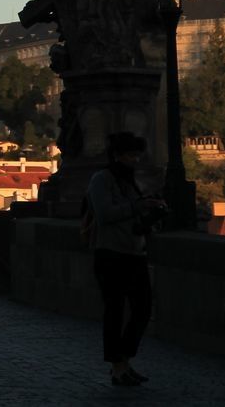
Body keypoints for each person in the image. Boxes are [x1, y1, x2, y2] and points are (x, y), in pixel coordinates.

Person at [87, 132, 164, 386]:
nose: (135, 160)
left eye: (137, 155)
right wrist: (138, 207)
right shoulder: (101, 180)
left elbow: (134, 217)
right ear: (118, 155)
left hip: (135, 252)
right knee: (115, 311)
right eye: (131, 155)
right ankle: (118, 366)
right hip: (110, 253)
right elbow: (105, 214)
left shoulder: (131, 182)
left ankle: (125, 359)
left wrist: (152, 211)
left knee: (143, 309)